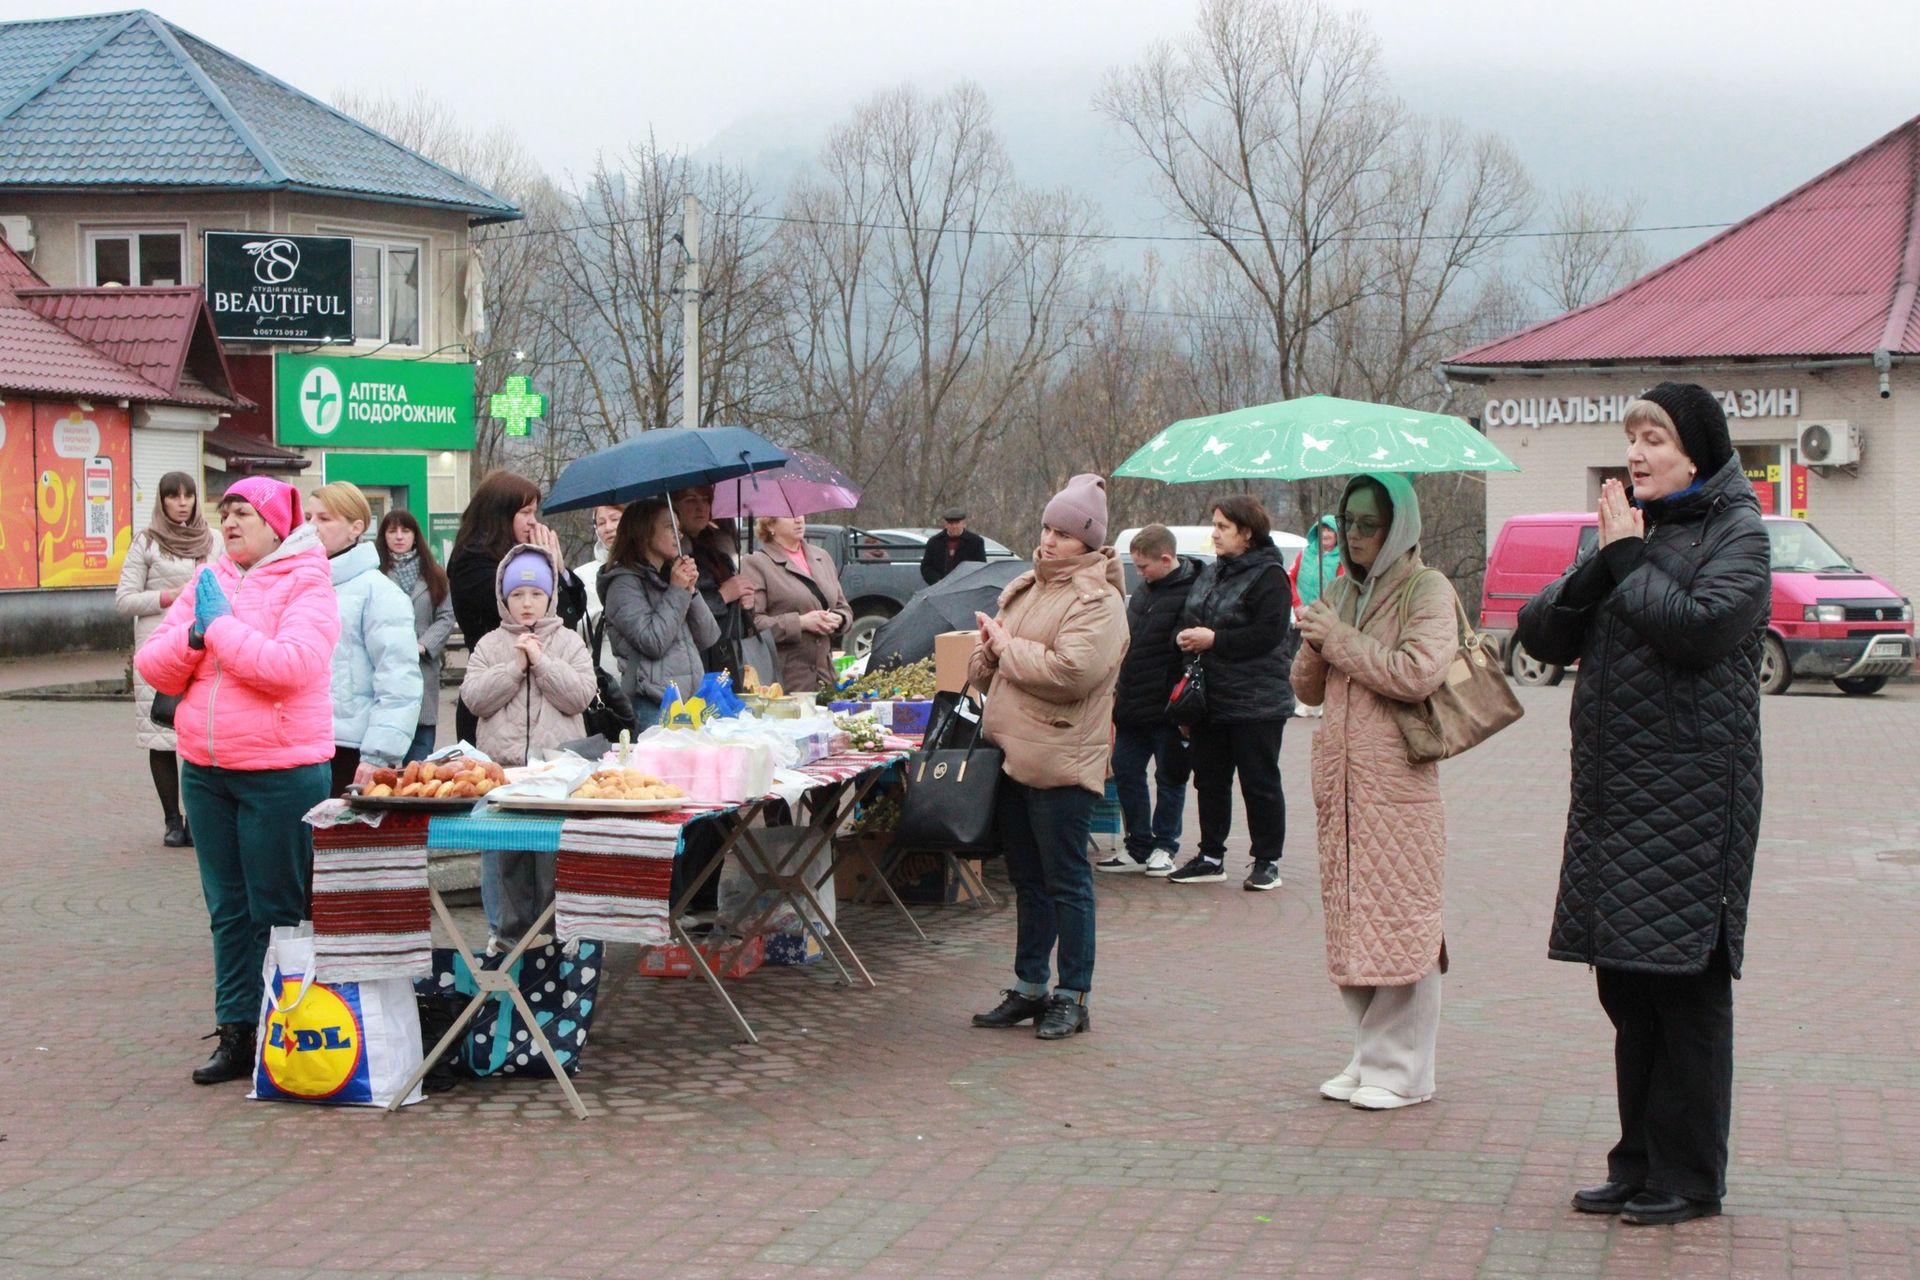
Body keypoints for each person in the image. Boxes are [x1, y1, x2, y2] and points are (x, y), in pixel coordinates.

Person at [1517, 383, 1769, 1228]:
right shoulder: (1631, 532)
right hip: (1619, 802)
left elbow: (1697, 630)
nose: (1635, 454)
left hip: (1696, 800)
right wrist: (1605, 558)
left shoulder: (1740, 535)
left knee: (1684, 991)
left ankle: (1691, 1177)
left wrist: (1626, 558)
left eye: (1653, 439)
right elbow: (1542, 633)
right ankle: (1638, 1163)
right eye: (1630, 438)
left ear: (1696, 452)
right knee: (1627, 986)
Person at [134, 476, 338, 1084]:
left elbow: (290, 667)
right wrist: (198, 633)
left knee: (275, 910)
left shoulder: (308, 579)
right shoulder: (210, 580)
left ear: (275, 522)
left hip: (280, 773)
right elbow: (153, 666)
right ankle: (236, 1032)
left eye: (242, 512)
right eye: (224, 512)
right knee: (226, 910)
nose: (228, 523)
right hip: (206, 770)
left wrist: (216, 630)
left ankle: (291, 1035)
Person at [1291, 473, 1460, 1111]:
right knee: (1353, 922)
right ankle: (1368, 1057)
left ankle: (1406, 1070)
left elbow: (1416, 673)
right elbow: (1307, 692)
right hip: (1341, 788)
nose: (1356, 536)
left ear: (1400, 528)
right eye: (1349, 522)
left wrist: (1339, 638)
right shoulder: (1340, 588)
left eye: (1370, 524)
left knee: (1401, 922)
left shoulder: (1428, 589)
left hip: (1398, 786)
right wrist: (1314, 639)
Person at [967, 474, 1128, 1041]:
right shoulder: (1026, 587)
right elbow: (991, 671)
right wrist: (987, 652)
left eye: (1064, 532)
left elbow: (1072, 673)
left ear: (1088, 542)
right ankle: (1030, 986)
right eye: (1047, 527)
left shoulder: (1100, 601)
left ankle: (1073, 994)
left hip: (1061, 760)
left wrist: (1008, 649)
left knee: (1066, 882)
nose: (1050, 540)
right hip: (1008, 755)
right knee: (1027, 882)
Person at [460, 545, 598, 952]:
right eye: (517, 594)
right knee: (505, 860)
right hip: (503, 778)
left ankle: (560, 939)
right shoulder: (489, 645)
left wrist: (542, 662)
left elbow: (579, 697)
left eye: (536, 593)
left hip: (557, 776)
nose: (526, 603)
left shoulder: (570, 642)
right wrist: (514, 668)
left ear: (551, 594)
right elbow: (474, 699)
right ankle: (507, 938)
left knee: (553, 859)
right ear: (503, 597)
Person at [1166, 496, 1294, 890]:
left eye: (1223, 527)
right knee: (1209, 778)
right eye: (1214, 525)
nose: (1215, 534)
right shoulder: (1212, 573)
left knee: (1259, 782)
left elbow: (1268, 634)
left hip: (1257, 700)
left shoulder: (1270, 576)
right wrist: (1185, 638)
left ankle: (1267, 860)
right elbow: (1191, 617)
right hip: (1211, 698)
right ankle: (1210, 855)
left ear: (1247, 533)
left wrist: (1214, 639)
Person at [448, 470, 587, 744]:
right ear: (500, 513)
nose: (533, 522)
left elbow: (574, 610)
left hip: (544, 706)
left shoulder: (527, 559)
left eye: (534, 512)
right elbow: (545, 619)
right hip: (496, 705)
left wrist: (557, 567)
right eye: (525, 512)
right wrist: (549, 571)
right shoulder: (472, 563)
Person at [116, 470, 214, 847]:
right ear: (162, 500)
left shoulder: (213, 540)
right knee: (161, 736)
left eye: (188, 496)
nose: (182, 503)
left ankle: (197, 821)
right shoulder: (147, 542)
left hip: (203, 647)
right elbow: (124, 600)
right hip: (159, 648)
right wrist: (169, 596)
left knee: (198, 736)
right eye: (173, 497)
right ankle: (172, 821)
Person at [1096, 523, 1197, 876]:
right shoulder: (1144, 592)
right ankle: (1138, 843)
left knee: (1170, 778)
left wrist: (1182, 702)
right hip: (1133, 703)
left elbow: (1185, 654)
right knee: (1126, 772)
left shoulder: (1191, 594)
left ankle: (1165, 846)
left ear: (1166, 559)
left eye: (1143, 567)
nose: (1139, 574)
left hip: (1168, 707)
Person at [308, 483, 421, 795]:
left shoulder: (378, 592)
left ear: (355, 527)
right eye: (308, 517)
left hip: (351, 750)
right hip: (302, 744)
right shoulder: (302, 585)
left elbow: (398, 679)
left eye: (325, 519)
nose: (312, 527)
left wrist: (379, 754)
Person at [600, 498, 721, 725]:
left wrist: (690, 590)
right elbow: (652, 642)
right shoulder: (622, 584)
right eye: (669, 526)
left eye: (679, 527)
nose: (679, 535)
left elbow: (708, 636)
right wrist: (677, 590)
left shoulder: (667, 577)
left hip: (687, 703)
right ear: (645, 532)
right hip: (651, 705)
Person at [741, 515, 853, 693]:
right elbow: (754, 624)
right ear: (770, 525)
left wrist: (838, 619)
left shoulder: (822, 557)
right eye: (789, 516)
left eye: (800, 514)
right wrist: (801, 623)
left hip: (826, 677)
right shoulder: (755, 562)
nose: (799, 520)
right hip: (785, 680)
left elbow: (843, 607)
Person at [377, 509, 456, 763]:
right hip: (386, 669)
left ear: (415, 535)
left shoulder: (435, 574)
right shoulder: (375, 574)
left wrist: (424, 645)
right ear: (384, 536)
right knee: (385, 762)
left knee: (419, 759)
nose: (399, 537)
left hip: (422, 670)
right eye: (392, 531)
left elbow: (446, 616)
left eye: (405, 530)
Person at [673, 485, 758, 675]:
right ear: (674, 507)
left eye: (705, 499)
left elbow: (741, 615)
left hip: (729, 659)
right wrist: (723, 595)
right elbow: (679, 616)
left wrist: (747, 604)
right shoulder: (672, 558)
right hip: (697, 665)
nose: (701, 507)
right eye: (690, 500)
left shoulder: (719, 551)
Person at [1289, 514, 1340, 719]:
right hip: (1303, 617)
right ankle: (1303, 703)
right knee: (1304, 660)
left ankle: (1327, 703)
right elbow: (1290, 578)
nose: (1326, 534)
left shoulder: (1342, 559)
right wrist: (1298, 606)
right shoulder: (1305, 554)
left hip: (1327, 616)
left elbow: (1341, 588)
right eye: (1322, 529)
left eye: (1330, 530)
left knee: (1327, 658)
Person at [573, 503, 626, 682]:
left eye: (614, 519)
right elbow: (574, 634)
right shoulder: (582, 575)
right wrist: (599, 618)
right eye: (601, 523)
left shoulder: (649, 569)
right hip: (603, 679)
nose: (608, 528)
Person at [921, 507, 989, 585]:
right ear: (946, 525)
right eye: (951, 523)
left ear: (964, 524)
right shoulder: (934, 542)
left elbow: (980, 567)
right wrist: (938, 582)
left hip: (966, 587)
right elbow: (926, 567)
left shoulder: (975, 542)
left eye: (957, 523)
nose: (954, 526)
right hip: (939, 588)